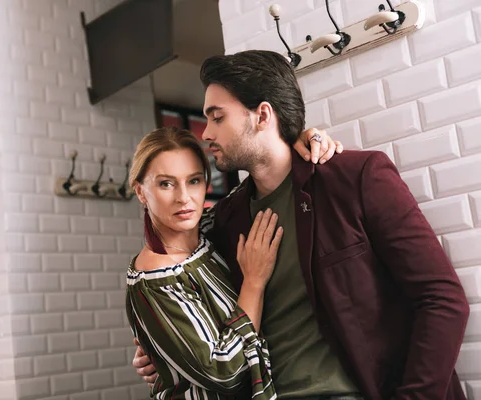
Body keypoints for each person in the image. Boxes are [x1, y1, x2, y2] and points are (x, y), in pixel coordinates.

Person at [134, 50, 470, 400]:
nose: (207, 133)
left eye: (217, 117)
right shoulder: (226, 219)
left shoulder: (355, 179)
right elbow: (181, 281)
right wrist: (162, 343)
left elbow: (443, 299)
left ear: (262, 115)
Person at [126, 126, 341, 399]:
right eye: (166, 183)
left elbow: (266, 171)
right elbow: (225, 372)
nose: (184, 197)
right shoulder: (156, 279)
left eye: (193, 181)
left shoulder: (208, 229)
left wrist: (305, 139)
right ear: (141, 192)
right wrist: (254, 281)